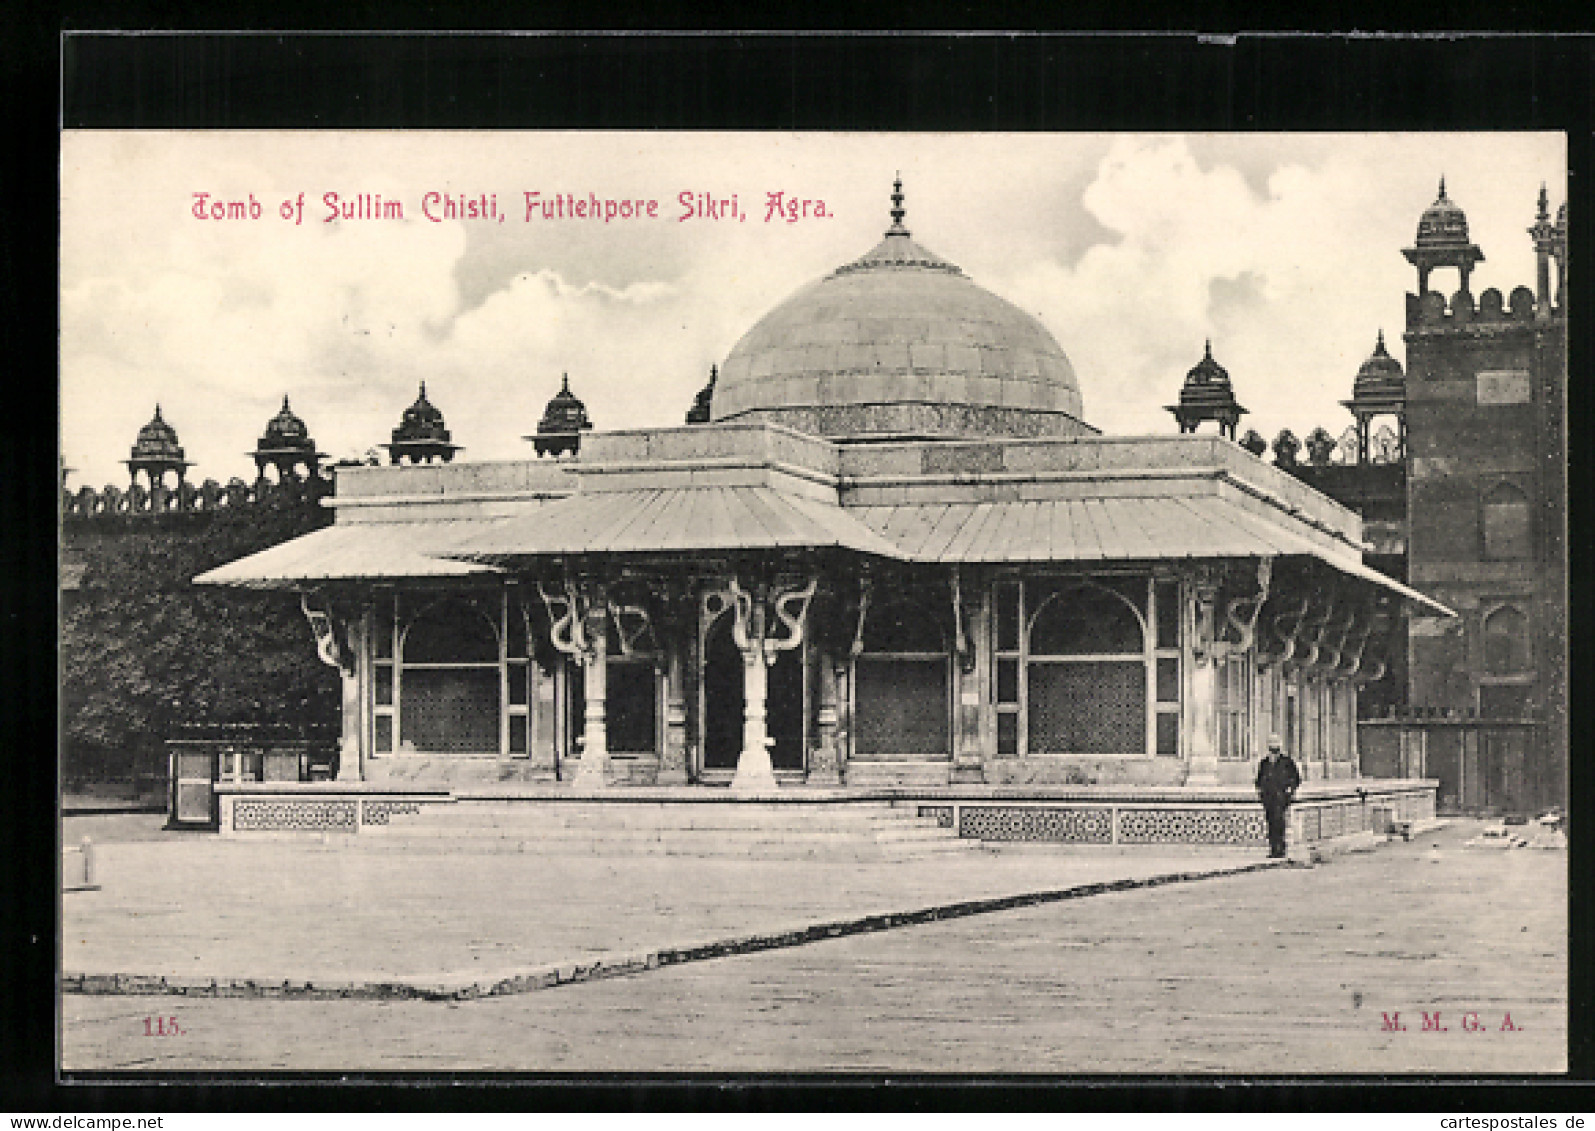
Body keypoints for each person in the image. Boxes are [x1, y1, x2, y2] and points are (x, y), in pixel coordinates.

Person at [1255, 733, 1301, 858]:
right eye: (1271, 744)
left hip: (1281, 797)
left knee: (1279, 822)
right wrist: (1261, 793)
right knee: (1271, 823)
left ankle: (1280, 848)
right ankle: (1273, 848)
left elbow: (1296, 778)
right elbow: (1259, 780)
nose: (1273, 747)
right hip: (1269, 798)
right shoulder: (1264, 763)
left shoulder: (1286, 762)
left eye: (1275, 744)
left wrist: (1289, 791)